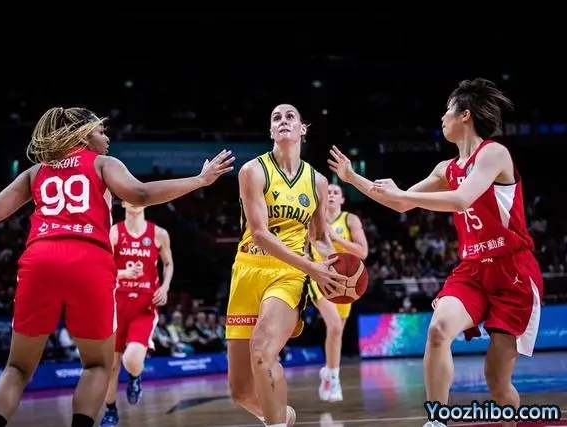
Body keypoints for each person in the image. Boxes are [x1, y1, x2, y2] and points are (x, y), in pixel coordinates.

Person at [0, 107, 234, 427]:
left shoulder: (36, 171)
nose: (107, 137)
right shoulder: (103, 164)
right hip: (88, 261)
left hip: (40, 260)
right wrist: (200, 180)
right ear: (83, 135)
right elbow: (140, 194)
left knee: (17, 367)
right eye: (101, 131)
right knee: (97, 365)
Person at [328, 79, 542, 427]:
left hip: (513, 272)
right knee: (439, 329)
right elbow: (399, 202)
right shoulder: (445, 169)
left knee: (497, 383)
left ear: (465, 115)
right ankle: (437, 420)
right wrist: (353, 178)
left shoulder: (494, 153)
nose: (442, 118)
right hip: (473, 269)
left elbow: (462, 199)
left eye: (447, 111)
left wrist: (405, 195)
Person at [227, 104, 347, 427]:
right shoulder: (252, 171)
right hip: (248, 269)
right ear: (270, 131)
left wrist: (333, 265)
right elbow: (260, 234)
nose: (283, 121)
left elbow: (319, 236)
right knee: (240, 391)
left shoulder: (317, 181)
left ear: (302, 129)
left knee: (263, 350)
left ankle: (276, 423)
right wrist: (311, 266)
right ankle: (283, 416)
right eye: (276, 118)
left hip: (289, 274)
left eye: (290, 116)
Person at [99, 203, 173, 427]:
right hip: (116, 305)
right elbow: (102, 267)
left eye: (139, 195)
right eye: (130, 196)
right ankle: (110, 411)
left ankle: (134, 376)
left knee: (130, 358)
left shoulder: (159, 233)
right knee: (111, 366)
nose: (135, 199)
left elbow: (168, 264)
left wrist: (165, 287)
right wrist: (123, 273)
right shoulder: (114, 232)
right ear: (123, 202)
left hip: (144, 306)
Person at [308, 183, 368, 402]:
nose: (331, 195)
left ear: (342, 199)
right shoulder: (313, 218)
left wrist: (336, 237)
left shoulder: (350, 220)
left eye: (336, 193)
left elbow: (363, 252)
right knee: (333, 326)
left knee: (336, 333)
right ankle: (334, 379)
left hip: (345, 282)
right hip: (321, 277)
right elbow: (306, 249)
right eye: (328, 192)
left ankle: (329, 371)